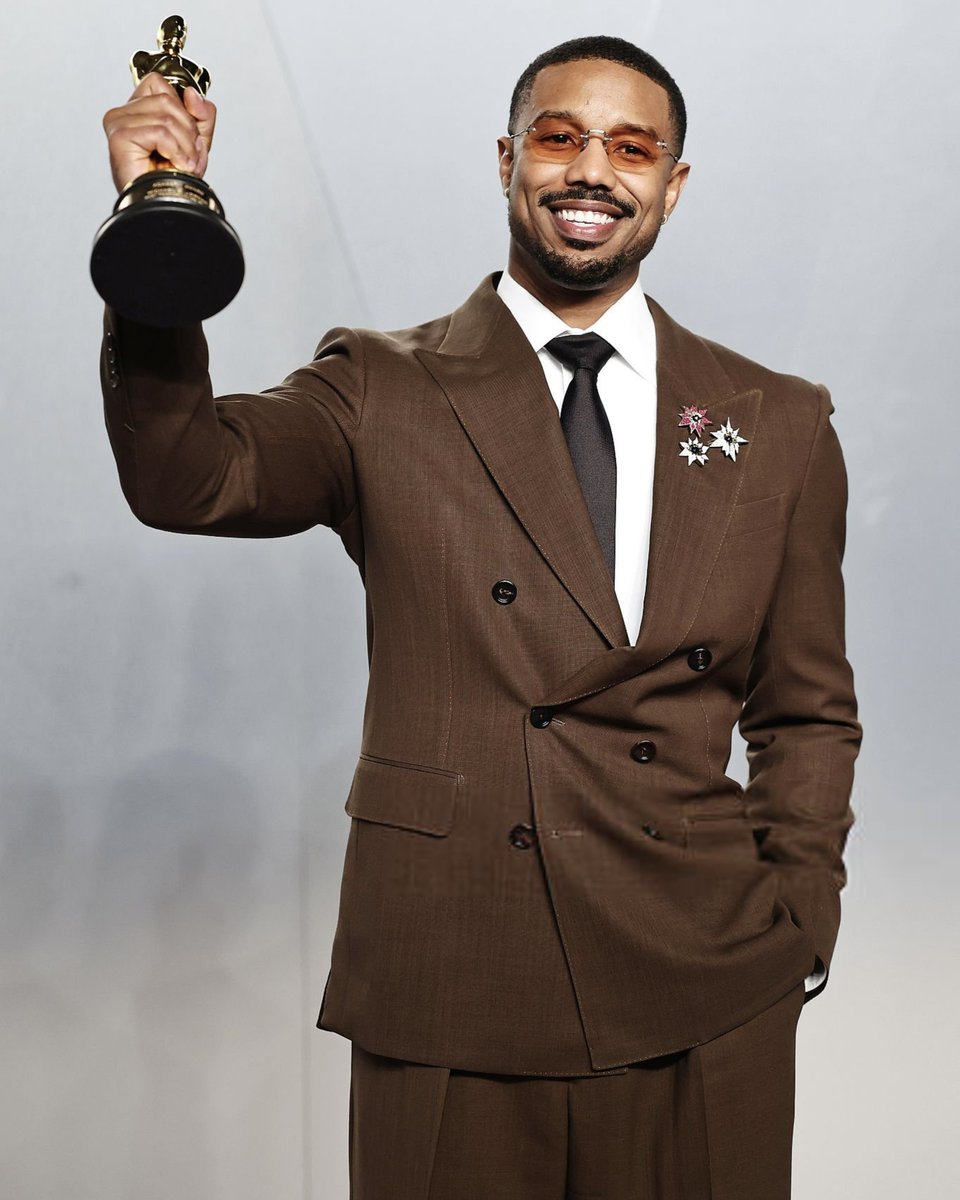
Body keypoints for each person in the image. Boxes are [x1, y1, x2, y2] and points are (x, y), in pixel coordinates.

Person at [100, 35, 861, 1200]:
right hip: (451, 966)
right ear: (508, 159)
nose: (591, 170)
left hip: (705, 978)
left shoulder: (781, 422)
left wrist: (797, 914)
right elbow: (190, 478)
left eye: (631, 147)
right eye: (559, 137)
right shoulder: (381, 386)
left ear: (674, 182)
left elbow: (807, 709)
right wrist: (164, 235)